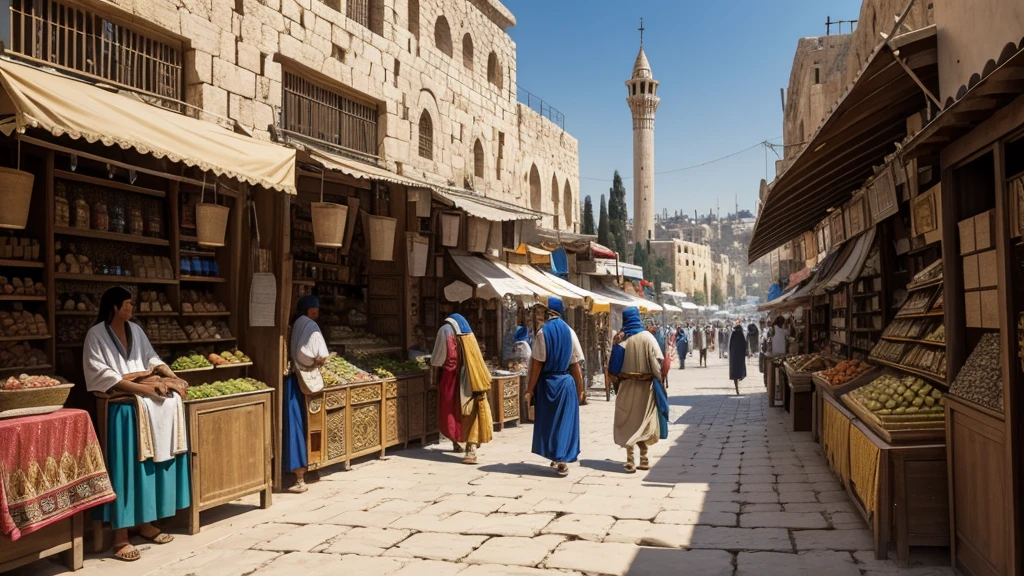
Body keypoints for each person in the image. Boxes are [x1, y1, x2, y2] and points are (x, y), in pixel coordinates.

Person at [83, 287, 190, 562]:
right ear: (115, 307)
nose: (131, 309)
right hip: (120, 409)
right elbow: (103, 375)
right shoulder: (96, 335)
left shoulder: (136, 330)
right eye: (128, 304)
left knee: (147, 468)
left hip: (146, 405)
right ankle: (120, 537)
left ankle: (145, 524)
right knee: (125, 471)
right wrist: (144, 389)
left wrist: (172, 376)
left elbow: (151, 359)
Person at [525, 298, 583, 476]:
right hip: (566, 384)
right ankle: (561, 457)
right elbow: (575, 364)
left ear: (547, 312)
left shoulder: (543, 333)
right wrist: (580, 389)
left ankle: (559, 458)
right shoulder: (570, 332)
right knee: (565, 422)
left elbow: (537, 364)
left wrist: (529, 389)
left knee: (550, 423)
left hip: (549, 384)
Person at [608, 307, 670, 473]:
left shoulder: (622, 340)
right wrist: (658, 380)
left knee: (628, 423)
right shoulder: (648, 337)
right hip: (646, 388)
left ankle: (630, 460)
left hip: (627, 386)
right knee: (643, 423)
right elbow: (659, 362)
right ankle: (643, 458)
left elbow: (613, 368)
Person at [283, 295, 331, 494]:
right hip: (303, 382)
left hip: (293, 381)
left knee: (296, 424)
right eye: (312, 308)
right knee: (301, 425)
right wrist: (318, 363)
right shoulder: (311, 326)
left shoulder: (295, 325)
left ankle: (302, 472)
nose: (315, 312)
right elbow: (321, 354)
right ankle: (302, 472)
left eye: (316, 308)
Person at [431, 313, 493, 464]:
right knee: (471, 412)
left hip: (451, 379)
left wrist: (432, 373)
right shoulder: (468, 334)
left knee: (452, 411)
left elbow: (439, 359)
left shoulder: (445, 330)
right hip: (472, 379)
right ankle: (468, 448)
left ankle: (459, 443)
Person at [728, 319, 748, 395]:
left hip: (734, 357)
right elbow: (744, 345)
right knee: (740, 372)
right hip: (739, 357)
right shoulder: (741, 335)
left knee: (735, 375)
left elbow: (730, 346)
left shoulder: (733, 335)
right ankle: (737, 389)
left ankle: (737, 389)